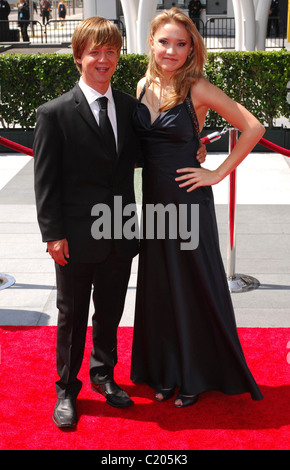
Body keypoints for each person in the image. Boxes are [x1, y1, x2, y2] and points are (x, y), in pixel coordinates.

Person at [130, 8, 265, 408]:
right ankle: (166, 371)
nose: (171, 50)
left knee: (194, 286)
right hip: (153, 203)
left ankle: (195, 375)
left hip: (188, 203)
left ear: (191, 49)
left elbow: (253, 127)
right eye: (164, 41)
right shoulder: (141, 85)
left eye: (181, 43)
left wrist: (217, 172)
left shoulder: (198, 88)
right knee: (159, 288)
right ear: (151, 42)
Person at [33, 17, 143, 429]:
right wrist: (53, 234)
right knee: (72, 314)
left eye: (111, 50)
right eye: (94, 51)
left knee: (110, 312)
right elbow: (45, 181)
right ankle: (66, 387)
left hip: (120, 233)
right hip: (75, 239)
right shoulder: (54, 113)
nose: (104, 59)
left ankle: (103, 375)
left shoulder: (132, 109)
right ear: (79, 57)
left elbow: (150, 157)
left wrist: (195, 155)